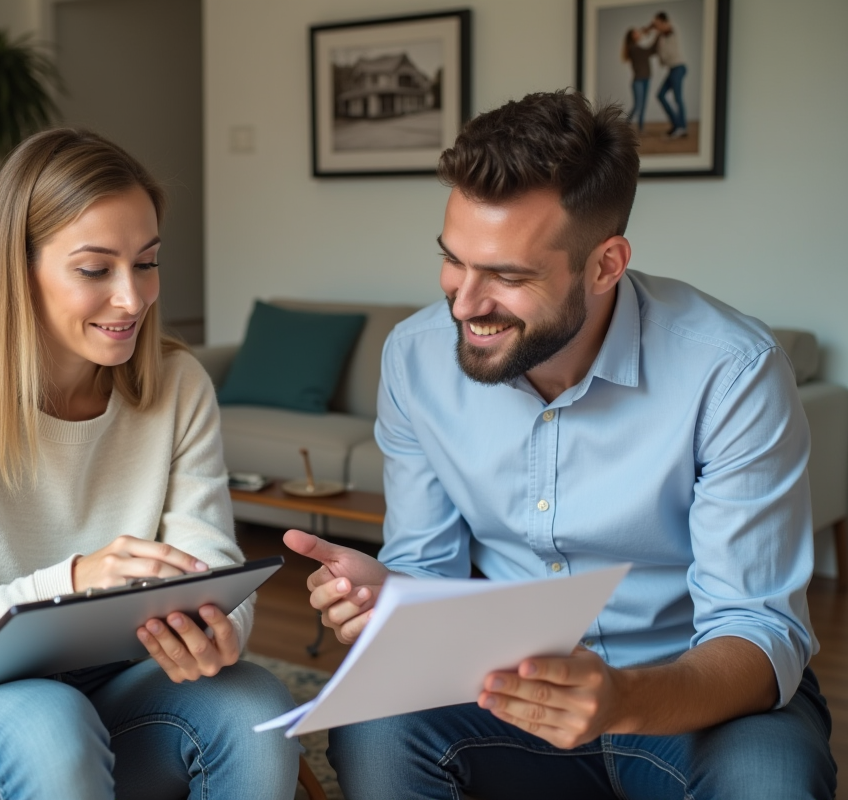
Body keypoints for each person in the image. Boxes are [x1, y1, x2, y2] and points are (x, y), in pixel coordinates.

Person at [285, 91, 836, 799]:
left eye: (508, 277)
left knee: (773, 783)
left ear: (606, 264)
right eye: (453, 260)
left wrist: (620, 698)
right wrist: (389, 599)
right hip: (499, 690)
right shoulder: (416, 357)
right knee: (376, 733)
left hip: (690, 692)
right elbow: (430, 567)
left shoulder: (732, 371)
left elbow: (757, 634)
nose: (463, 304)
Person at [0, 128, 300, 800]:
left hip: (96, 697)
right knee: (48, 723)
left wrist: (219, 631)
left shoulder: (178, 384)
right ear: (17, 269)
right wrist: (71, 582)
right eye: (95, 269)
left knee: (250, 706)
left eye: (148, 262)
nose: (133, 299)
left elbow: (214, 569)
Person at [650, 11, 688, 137]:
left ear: (663, 22)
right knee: (660, 95)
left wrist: (656, 29)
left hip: (678, 67)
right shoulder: (661, 36)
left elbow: (667, 54)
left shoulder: (671, 30)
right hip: (672, 69)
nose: (656, 26)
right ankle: (677, 125)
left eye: (657, 23)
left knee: (678, 98)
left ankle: (681, 127)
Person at [621, 26, 654, 131]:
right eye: (635, 33)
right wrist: (653, 33)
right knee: (638, 105)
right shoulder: (633, 48)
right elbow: (650, 50)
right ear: (631, 37)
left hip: (646, 79)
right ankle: (624, 126)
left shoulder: (636, 47)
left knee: (643, 106)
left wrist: (647, 32)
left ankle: (641, 128)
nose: (638, 34)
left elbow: (649, 50)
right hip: (638, 80)